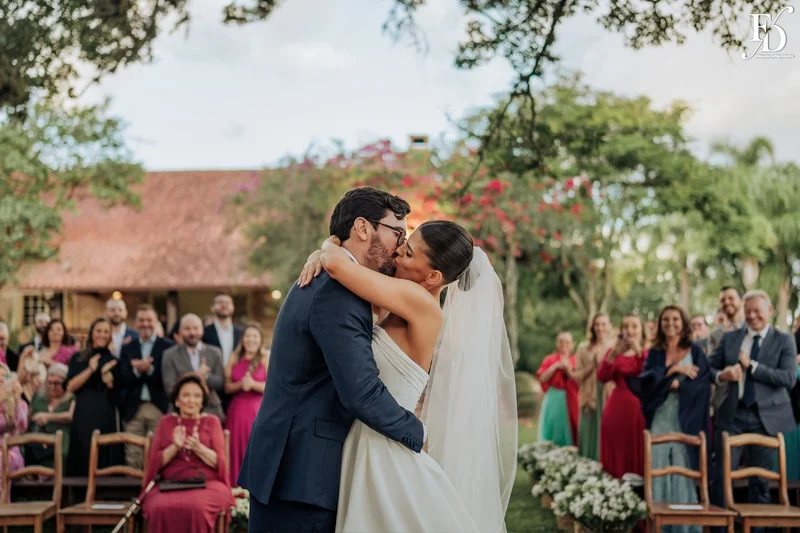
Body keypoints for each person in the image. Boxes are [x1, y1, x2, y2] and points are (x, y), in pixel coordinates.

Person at [297, 219, 516, 532]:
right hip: (370, 437)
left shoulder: (420, 304)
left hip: (384, 451)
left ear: (433, 277)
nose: (397, 252)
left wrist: (330, 243)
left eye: (409, 253)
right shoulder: (400, 299)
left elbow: (336, 264)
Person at [238, 188, 426, 533]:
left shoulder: (335, 279)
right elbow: (360, 392)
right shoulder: (336, 295)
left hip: (293, 463)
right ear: (363, 228)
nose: (401, 245)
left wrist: (327, 248)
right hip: (302, 470)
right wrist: (420, 432)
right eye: (397, 233)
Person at [709, 290, 797, 533]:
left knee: (761, 482)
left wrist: (753, 367)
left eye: (757, 310)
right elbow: (709, 367)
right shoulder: (731, 338)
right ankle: (719, 529)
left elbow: (789, 378)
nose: (752, 316)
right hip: (732, 415)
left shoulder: (784, 340)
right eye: (747, 311)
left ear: (770, 311)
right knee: (722, 476)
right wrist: (722, 375)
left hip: (766, 419)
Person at [631, 306, 710, 533]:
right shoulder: (655, 352)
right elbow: (646, 381)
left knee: (683, 470)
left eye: (675, 319)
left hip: (686, 418)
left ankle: (684, 528)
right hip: (661, 415)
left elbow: (701, 383)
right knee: (657, 465)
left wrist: (678, 385)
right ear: (660, 323)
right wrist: (672, 372)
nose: (670, 323)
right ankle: (659, 527)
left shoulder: (695, 350)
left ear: (683, 323)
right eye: (665, 319)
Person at [141, 373, 234, 533]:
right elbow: (154, 463)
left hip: (207, 485)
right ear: (177, 400)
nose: (191, 400)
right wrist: (175, 447)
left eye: (197, 396)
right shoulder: (166, 422)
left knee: (197, 508)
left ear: (202, 401)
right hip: (169, 485)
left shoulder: (212, 421)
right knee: (159, 508)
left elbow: (221, 464)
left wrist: (199, 448)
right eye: (186, 395)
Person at [65, 317, 122, 476]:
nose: (102, 335)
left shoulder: (114, 361)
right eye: (99, 331)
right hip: (84, 410)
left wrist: (108, 380)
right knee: (83, 448)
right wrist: (90, 370)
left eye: (106, 332)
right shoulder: (78, 358)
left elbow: (117, 393)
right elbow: (70, 387)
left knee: (105, 451)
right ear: (92, 334)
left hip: (105, 410)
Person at [120, 304, 174, 469]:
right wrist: (136, 371)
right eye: (141, 320)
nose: (145, 324)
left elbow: (168, 377)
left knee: (158, 451)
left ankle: (154, 491)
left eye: (149, 320)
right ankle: (133, 492)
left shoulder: (167, 346)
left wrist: (150, 370)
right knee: (133, 453)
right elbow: (122, 377)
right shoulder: (128, 347)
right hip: (133, 408)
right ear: (136, 323)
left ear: (156, 322)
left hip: (158, 406)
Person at [598, 314, 647, 479]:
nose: (630, 330)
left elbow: (651, 376)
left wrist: (639, 352)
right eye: (626, 326)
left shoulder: (649, 352)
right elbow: (602, 377)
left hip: (639, 409)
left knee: (638, 449)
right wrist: (612, 356)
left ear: (641, 330)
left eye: (634, 326)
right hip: (616, 408)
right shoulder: (613, 352)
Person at [224, 324, 268, 486]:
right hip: (237, 410)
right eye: (247, 336)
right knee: (235, 447)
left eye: (255, 336)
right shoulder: (234, 358)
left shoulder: (266, 357)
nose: (251, 340)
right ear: (242, 339)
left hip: (257, 409)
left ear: (260, 339)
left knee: (255, 446)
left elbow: (272, 386)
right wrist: (241, 384)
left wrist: (254, 384)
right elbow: (227, 387)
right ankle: (235, 488)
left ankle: (255, 484)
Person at [161, 315, 226, 422]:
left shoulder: (214, 353)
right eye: (187, 329)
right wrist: (196, 375)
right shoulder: (169, 355)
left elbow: (220, 382)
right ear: (180, 331)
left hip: (211, 411)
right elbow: (170, 387)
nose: (192, 333)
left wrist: (206, 377)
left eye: (196, 328)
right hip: (180, 412)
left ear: (202, 330)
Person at [574, 313, 616, 460]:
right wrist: (593, 364)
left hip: (608, 394)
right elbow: (576, 376)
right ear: (592, 327)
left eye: (603, 324)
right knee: (588, 430)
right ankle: (587, 466)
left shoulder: (615, 348)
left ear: (609, 326)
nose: (600, 328)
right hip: (589, 396)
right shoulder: (583, 348)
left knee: (606, 430)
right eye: (597, 324)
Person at [27, 363, 74, 469]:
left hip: (61, 440)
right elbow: (28, 418)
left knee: (61, 454)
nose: (52, 387)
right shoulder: (39, 396)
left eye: (57, 383)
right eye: (50, 383)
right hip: (38, 441)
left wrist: (47, 417)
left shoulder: (70, 398)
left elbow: (70, 416)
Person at [536, 332, 578, 446]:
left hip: (571, 397)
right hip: (554, 396)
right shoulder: (550, 359)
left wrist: (568, 368)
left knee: (569, 425)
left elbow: (579, 380)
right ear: (557, 344)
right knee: (552, 424)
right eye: (561, 341)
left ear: (572, 344)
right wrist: (555, 367)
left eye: (567, 342)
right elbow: (542, 378)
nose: (564, 345)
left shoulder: (576, 360)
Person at [0, 363, 28, 503]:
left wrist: (17, 399)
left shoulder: (16, 404)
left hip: (10, 454)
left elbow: (21, 426)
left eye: (3, 380)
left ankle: (3, 512)